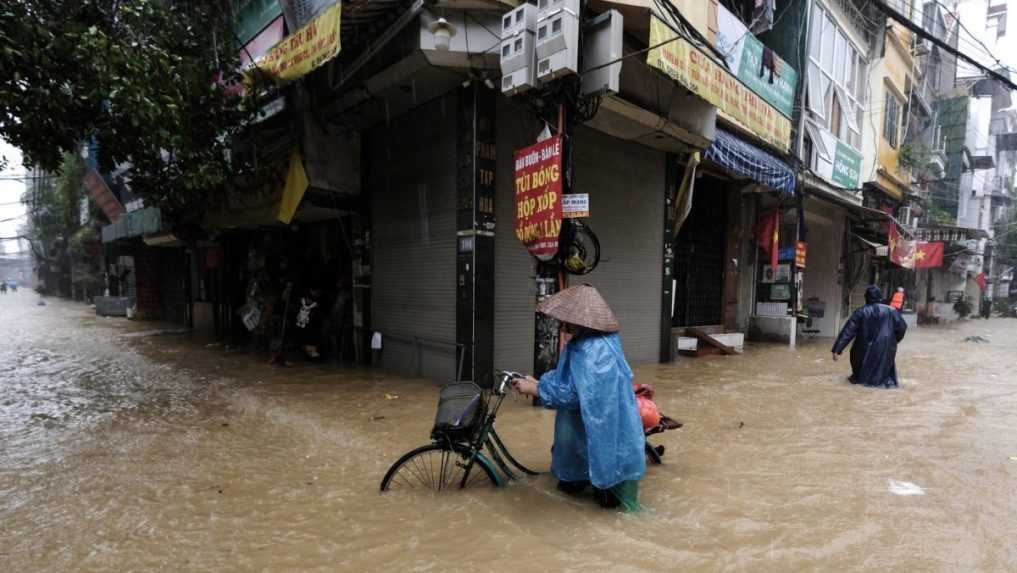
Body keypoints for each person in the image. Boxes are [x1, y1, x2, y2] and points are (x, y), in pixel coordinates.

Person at [512, 285, 646, 510]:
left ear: (581, 322)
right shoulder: (591, 343)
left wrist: (536, 390)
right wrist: (539, 382)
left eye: (565, 320)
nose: (561, 324)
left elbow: (576, 396)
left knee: (609, 508)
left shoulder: (592, 352)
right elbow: (568, 378)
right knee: (579, 493)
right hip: (589, 431)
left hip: (604, 435)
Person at [832, 285, 908, 388]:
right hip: (885, 348)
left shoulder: (861, 312)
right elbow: (902, 328)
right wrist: (893, 341)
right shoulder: (891, 311)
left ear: (866, 298)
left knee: (861, 379)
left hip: (863, 349)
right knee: (884, 377)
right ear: (880, 297)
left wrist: (837, 349)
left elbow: (848, 331)